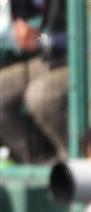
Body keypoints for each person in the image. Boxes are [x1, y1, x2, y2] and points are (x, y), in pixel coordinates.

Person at [0, 0, 68, 163]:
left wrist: (41, 39)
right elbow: (44, 33)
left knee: (39, 95)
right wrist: (36, 37)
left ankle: (70, 157)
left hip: (78, 62)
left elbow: (77, 35)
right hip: (47, 60)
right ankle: (35, 161)